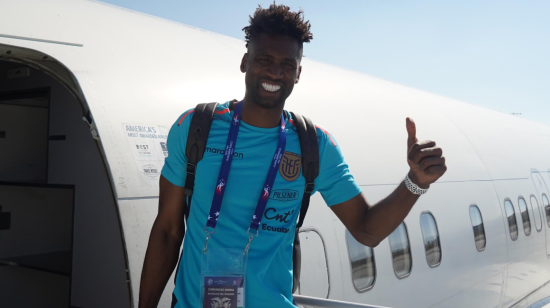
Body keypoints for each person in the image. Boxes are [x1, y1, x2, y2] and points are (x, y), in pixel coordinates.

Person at [138, 3, 447, 308]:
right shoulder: (195, 127)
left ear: (298, 72)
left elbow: (366, 230)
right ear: (245, 61)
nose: (275, 72)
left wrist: (415, 182)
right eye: (265, 59)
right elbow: (167, 231)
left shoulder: (315, 146)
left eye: (287, 64)